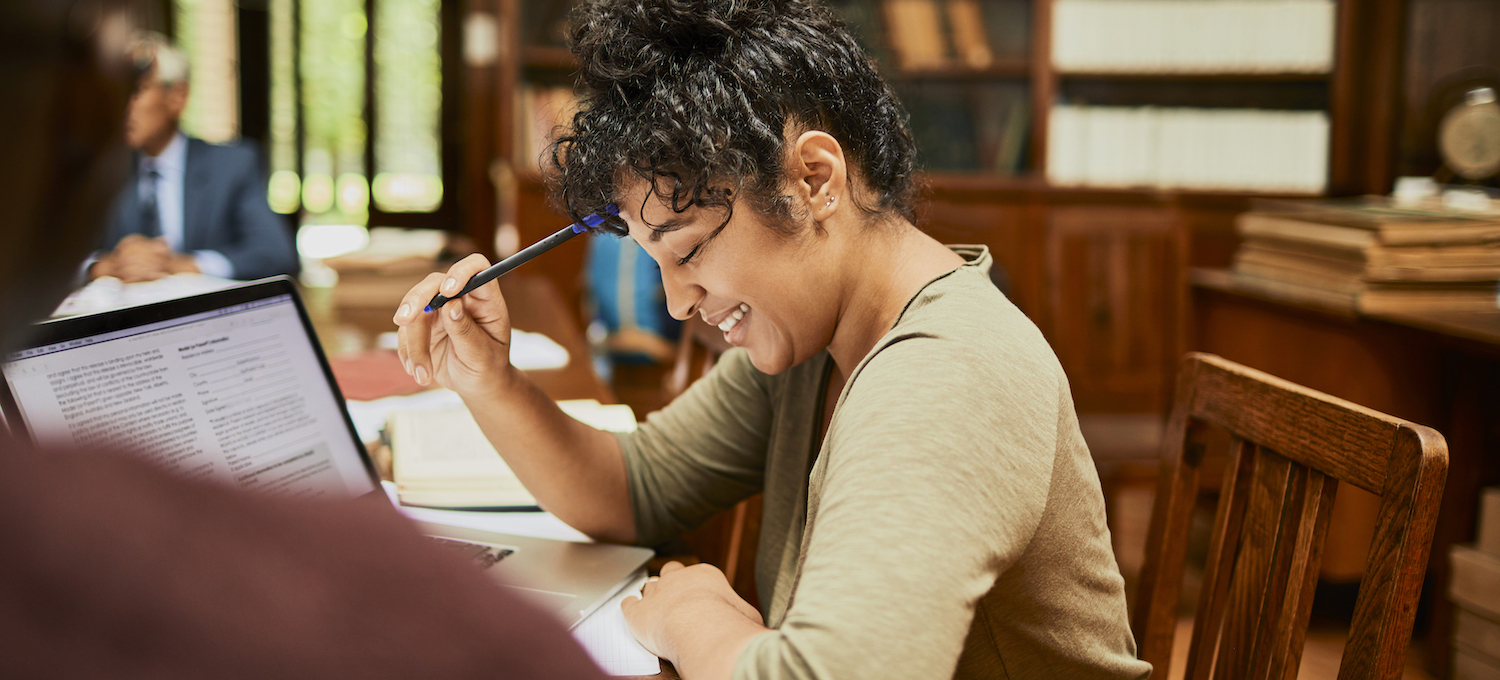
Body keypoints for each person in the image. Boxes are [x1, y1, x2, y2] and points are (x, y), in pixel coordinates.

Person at [392, 0, 1152, 678]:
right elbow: (636, 489)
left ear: (815, 179)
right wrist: (490, 380)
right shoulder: (820, 340)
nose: (678, 302)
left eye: (687, 252)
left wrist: (694, 618)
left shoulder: (944, 375)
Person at [0, 3, 604, 678]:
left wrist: (187, 263)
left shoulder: (227, 163)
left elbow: (269, 250)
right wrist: (105, 266)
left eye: (137, 86)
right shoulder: (442, 620)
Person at [87, 32, 299, 283]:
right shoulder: (99, 173)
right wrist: (106, 266)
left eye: (137, 90)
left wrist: (182, 265)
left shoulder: (233, 166)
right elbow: (44, 259)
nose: (121, 105)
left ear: (177, 97)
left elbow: (276, 255)